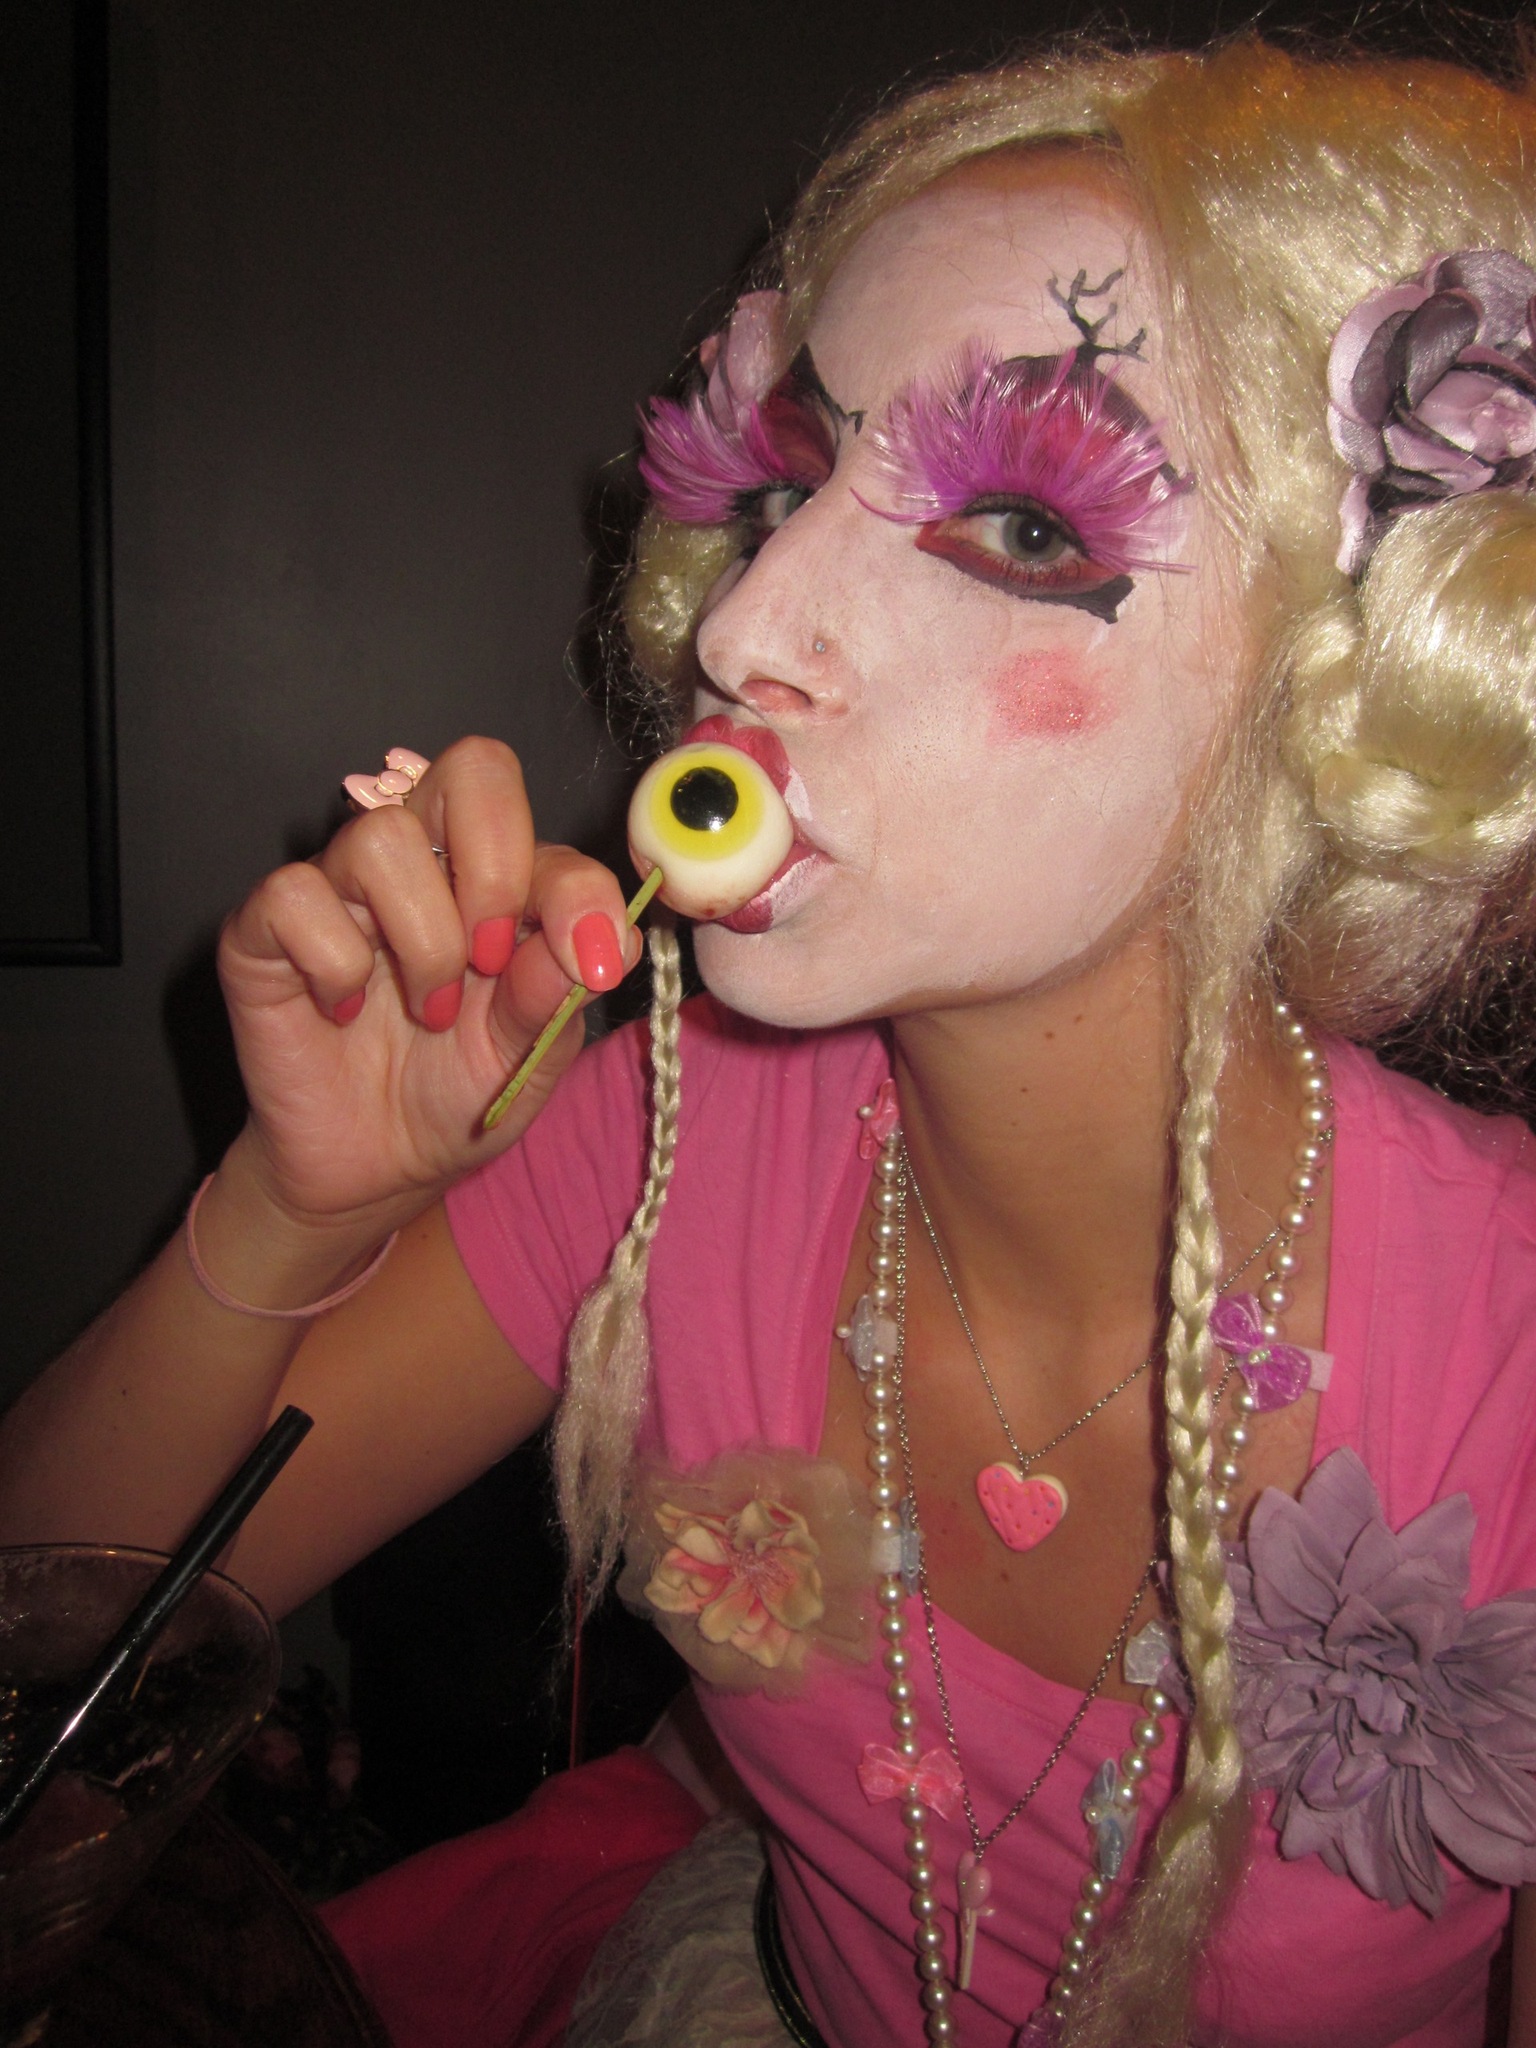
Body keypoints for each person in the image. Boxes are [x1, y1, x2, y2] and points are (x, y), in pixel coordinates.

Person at [4, 31, 1536, 2048]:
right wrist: (298, 1205)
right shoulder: (666, 1129)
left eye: (1022, 529)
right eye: (793, 483)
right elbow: (53, 1637)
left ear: (1353, 679)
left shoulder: (1508, 1350)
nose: (742, 630)